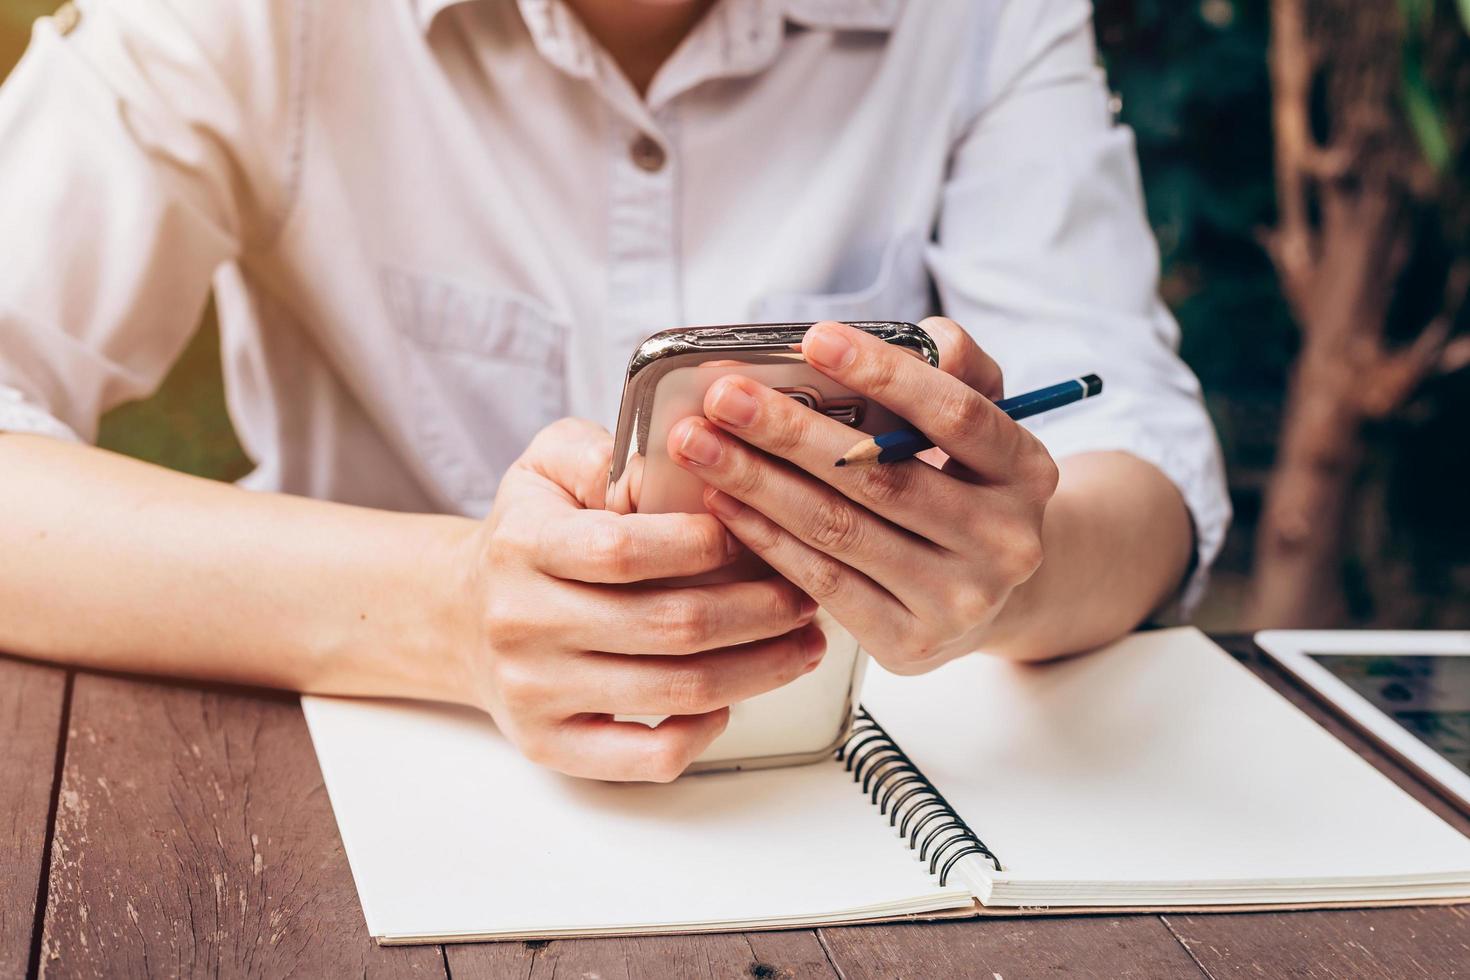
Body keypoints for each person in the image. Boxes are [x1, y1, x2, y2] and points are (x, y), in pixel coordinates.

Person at [0, 0, 1229, 781]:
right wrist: (445, 607)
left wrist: (1004, 574)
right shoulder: (246, 21)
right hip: (357, 791)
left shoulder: (980, 23)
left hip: (831, 792)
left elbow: (1147, 474)